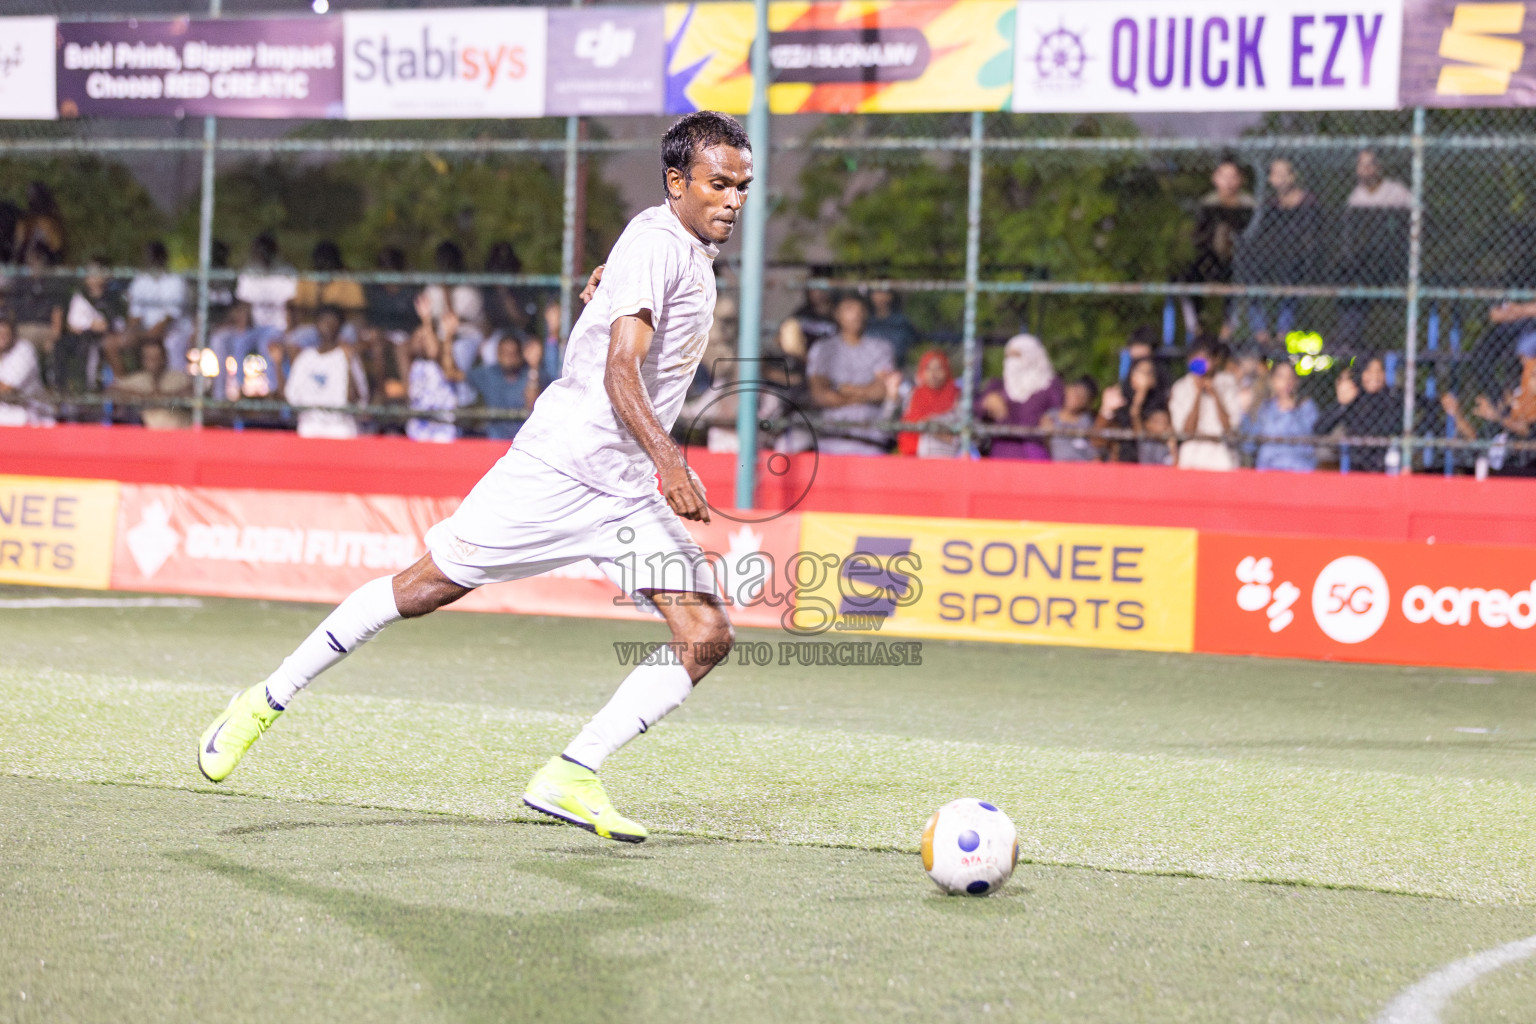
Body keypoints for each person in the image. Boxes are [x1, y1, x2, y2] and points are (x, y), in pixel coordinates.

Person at [196, 111, 749, 846]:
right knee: (423, 589)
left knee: (705, 631)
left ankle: (571, 773)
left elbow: (626, 317)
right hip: (556, 471)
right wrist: (671, 459)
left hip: (619, 492)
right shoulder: (658, 242)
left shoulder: (673, 244)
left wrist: (609, 290)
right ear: (677, 181)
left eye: (742, 186)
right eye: (718, 184)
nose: (733, 200)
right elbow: (621, 370)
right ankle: (264, 700)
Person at [1237, 158, 1321, 345]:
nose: (1280, 178)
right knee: (1250, 279)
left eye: (1284, 173)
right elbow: (1262, 237)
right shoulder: (1270, 206)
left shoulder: (1308, 202)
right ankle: (1261, 335)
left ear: (1293, 176)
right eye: (1275, 174)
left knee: (1291, 285)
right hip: (1272, 260)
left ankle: (1283, 333)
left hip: (1297, 261)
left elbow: (1310, 239)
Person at [806, 293, 900, 455]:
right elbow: (820, 395)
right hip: (831, 439)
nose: (856, 315)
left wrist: (844, 390)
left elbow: (881, 391)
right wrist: (864, 393)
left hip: (872, 439)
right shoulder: (823, 349)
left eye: (860, 310)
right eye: (849, 309)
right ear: (837, 314)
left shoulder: (881, 348)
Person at [1336, 150, 1412, 349]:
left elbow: (1417, 219)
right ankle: (1349, 340)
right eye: (1361, 166)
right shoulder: (1355, 197)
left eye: (1370, 165)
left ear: (1379, 167)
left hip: (1393, 261)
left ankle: (1397, 339)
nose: (1366, 170)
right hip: (1363, 263)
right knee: (1347, 278)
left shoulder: (1396, 192)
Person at [1179, 159, 1255, 337]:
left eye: (1233, 177)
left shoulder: (1248, 206)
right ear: (1215, 179)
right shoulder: (1207, 205)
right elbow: (1199, 239)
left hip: (1238, 262)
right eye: (1224, 176)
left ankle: (1229, 328)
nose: (1228, 182)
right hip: (1209, 261)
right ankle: (1196, 327)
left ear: (1240, 180)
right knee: (1185, 278)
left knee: (1241, 281)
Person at [227, 234, 297, 396]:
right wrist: (241, 329)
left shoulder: (285, 272)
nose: (262, 254)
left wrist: (289, 332)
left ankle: (273, 392)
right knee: (239, 343)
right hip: (256, 326)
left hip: (278, 327)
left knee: (267, 345)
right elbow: (244, 305)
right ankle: (239, 389)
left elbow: (290, 307)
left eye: (266, 250)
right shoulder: (249, 272)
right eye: (259, 251)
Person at [976, 333, 1063, 460]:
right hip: (999, 456)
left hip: (1033, 458)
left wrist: (1004, 417)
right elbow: (974, 412)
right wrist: (985, 404)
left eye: (1017, 356)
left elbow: (1054, 422)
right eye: (1008, 357)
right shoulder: (997, 386)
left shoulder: (1051, 389)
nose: (1012, 362)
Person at [282, 307, 364, 440]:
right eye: (324, 321)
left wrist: (348, 363)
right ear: (316, 325)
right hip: (309, 428)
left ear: (340, 327)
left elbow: (355, 400)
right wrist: (277, 363)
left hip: (340, 429)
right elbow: (290, 398)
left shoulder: (347, 356)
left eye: (333, 322)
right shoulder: (305, 357)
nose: (328, 326)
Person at [115, 240, 190, 376]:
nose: (152, 261)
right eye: (150, 257)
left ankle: (176, 386)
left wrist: (151, 334)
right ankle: (126, 385)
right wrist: (131, 332)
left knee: (172, 343)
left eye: (156, 256)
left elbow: (170, 317)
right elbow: (135, 315)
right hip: (145, 330)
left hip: (172, 330)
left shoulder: (175, 281)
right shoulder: (140, 281)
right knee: (115, 343)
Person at [1168, 339, 1241, 470]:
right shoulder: (1181, 387)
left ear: (1216, 360)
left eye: (1205, 359)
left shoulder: (1228, 383)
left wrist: (1215, 395)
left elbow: (1229, 428)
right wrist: (1198, 394)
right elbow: (1186, 432)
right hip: (1192, 453)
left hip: (1221, 453)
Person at [1316, 356, 1398, 472]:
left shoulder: (1392, 398)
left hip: (1384, 463)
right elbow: (1320, 428)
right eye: (1369, 370)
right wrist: (1342, 404)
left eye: (1379, 371)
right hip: (1356, 464)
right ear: (1362, 374)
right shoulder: (1354, 398)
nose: (1374, 376)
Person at [406, 291, 465, 443]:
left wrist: (428, 322)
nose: (422, 339)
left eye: (425, 336)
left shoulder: (441, 363)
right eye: (418, 337)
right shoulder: (413, 364)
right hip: (418, 429)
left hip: (443, 431)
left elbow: (434, 353)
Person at [58, 257, 125, 393]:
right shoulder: (80, 297)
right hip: (80, 338)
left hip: (105, 338)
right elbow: (73, 323)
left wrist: (98, 325)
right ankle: (63, 388)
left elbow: (115, 323)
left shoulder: (113, 298)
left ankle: (96, 387)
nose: (94, 277)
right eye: (90, 272)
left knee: (95, 347)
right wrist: (90, 324)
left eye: (98, 272)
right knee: (61, 345)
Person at [1244, 361, 1318, 471]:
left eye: (1290, 377)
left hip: (1298, 469)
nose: (1286, 381)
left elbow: (1309, 443)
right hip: (1269, 470)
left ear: (1295, 381)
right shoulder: (1265, 408)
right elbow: (1248, 445)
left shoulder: (1305, 406)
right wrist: (1246, 412)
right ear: (1273, 381)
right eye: (1281, 376)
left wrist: (1292, 411)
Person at [108, 338, 192, 430]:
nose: (154, 362)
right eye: (149, 358)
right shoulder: (136, 379)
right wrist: (144, 396)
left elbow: (193, 392)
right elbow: (112, 391)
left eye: (157, 357)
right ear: (143, 359)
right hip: (146, 435)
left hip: (179, 434)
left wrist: (166, 396)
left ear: (164, 358)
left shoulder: (179, 378)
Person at [468, 335, 539, 441]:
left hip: (523, 442)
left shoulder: (530, 374)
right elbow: (452, 374)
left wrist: (534, 366)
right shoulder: (488, 374)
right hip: (494, 442)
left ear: (521, 354)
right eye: (504, 352)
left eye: (512, 353)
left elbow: (532, 405)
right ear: (497, 353)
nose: (508, 357)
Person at [1096, 357, 1164, 463]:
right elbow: (1097, 442)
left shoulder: (1159, 405)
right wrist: (1106, 410)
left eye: (1148, 373)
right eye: (1140, 371)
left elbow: (1143, 438)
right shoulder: (1119, 401)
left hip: (1148, 465)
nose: (1143, 377)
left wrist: (1141, 396)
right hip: (1120, 465)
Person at [897, 349, 959, 457]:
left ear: (946, 370)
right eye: (928, 369)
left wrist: (932, 428)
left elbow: (962, 435)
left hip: (947, 458)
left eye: (938, 368)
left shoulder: (958, 396)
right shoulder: (913, 395)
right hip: (913, 458)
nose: (933, 374)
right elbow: (903, 426)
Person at [0, 316, 47, 427]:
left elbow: (6, 389)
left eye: (5, 333)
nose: (2, 336)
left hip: (30, 414)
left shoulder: (24, 350)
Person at [1043, 375, 1099, 462]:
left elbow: (1095, 456)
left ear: (1087, 403)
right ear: (1067, 389)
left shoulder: (1088, 424)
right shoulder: (1050, 417)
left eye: (1082, 396)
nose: (1076, 398)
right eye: (1075, 391)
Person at [12, 181, 65, 264]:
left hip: (46, 266)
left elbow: (57, 248)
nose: (32, 199)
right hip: (26, 267)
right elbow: (19, 246)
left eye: (35, 195)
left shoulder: (52, 222)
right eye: (30, 195)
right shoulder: (25, 221)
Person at [866, 288, 918, 370]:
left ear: (891, 295)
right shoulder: (864, 321)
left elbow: (910, 342)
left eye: (884, 292)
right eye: (876, 292)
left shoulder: (902, 321)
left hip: (898, 369)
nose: (880, 296)